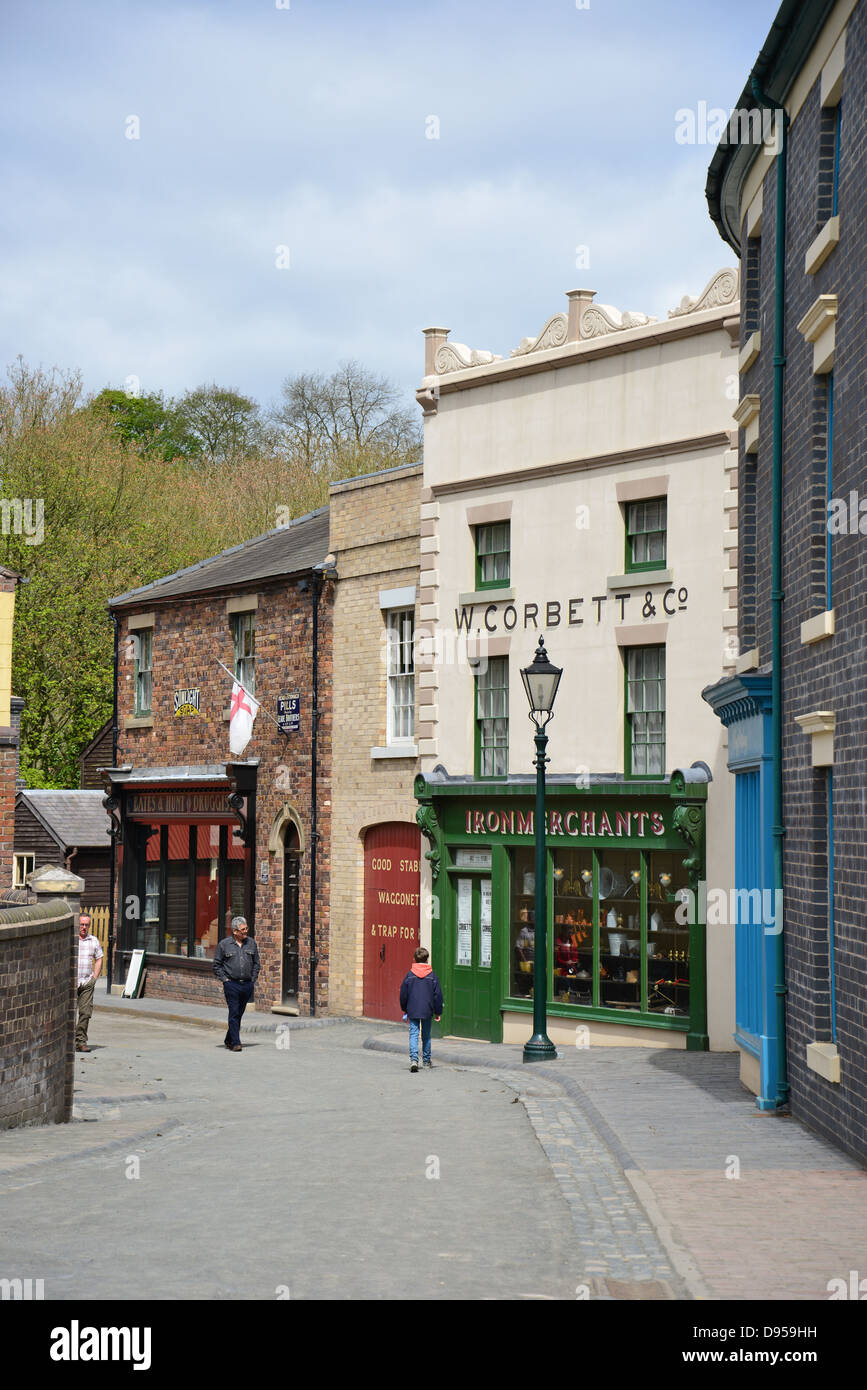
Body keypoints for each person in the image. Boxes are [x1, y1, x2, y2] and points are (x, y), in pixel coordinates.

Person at [213, 916, 260, 1051]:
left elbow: (256, 963)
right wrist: (225, 980)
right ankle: (235, 1042)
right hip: (231, 984)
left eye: (246, 928)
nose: (246, 931)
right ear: (235, 931)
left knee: (239, 1013)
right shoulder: (224, 945)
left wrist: (253, 979)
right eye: (243, 929)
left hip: (247, 984)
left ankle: (229, 1039)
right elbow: (216, 965)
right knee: (234, 1012)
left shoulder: (251, 943)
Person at [399, 946, 443, 1073]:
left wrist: (404, 1008)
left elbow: (403, 994)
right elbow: (437, 995)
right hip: (427, 1009)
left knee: (413, 1034)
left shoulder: (409, 975)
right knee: (426, 1035)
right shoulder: (432, 976)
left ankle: (414, 1060)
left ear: (414, 959)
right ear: (427, 959)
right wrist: (438, 1011)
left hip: (413, 1009)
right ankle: (426, 1061)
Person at [75, 912, 103, 1053]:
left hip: (86, 983)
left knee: (85, 1013)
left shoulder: (94, 941)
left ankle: (81, 1041)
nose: (84, 927)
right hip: (70, 982)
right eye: (82, 924)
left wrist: (94, 978)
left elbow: (99, 958)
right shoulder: (72, 940)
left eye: (86, 925)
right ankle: (65, 1041)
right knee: (66, 1013)